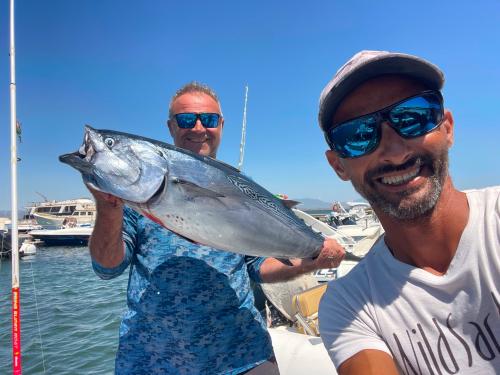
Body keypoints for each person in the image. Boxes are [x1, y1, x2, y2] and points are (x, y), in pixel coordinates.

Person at [87, 81, 346, 375]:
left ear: (220, 125)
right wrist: (108, 207)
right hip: (153, 360)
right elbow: (107, 268)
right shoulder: (133, 199)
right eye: (186, 119)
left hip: (243, 355)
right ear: (170, 126)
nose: (198, 128)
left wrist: (308, 262)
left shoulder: (244, 188)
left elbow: (258, 266)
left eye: (208, 119)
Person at [317, 50, 499, 374]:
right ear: (337, 166)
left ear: (447, 128)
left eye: (413, 116)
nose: (395, 150)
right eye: (358, 135)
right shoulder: (349, 305)